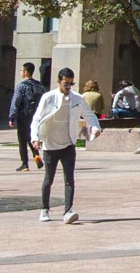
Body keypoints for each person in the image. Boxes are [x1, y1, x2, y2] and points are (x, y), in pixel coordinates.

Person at [29, 67, 100, 223]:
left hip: (68, 144)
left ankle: (68, 211)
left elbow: (89, 115)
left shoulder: (77, 98)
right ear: (58, 81)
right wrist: (35, 138)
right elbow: (36, 119)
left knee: (69, 179)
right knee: (49, 179)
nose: (68, 87)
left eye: (70, 83)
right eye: (65, 83)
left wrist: (95, 127)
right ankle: (44, 209)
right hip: (50, 144)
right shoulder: (48, 97)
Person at [7, 63, 45, 172]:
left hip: (23, 115)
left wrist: (12, 117)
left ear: (26, 72)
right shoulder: (40, 85)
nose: (20, 72)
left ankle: (25, 164)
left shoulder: (21, 86)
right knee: (32, 136)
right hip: (36, 116)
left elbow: (16, 102)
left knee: (22, 140)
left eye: (21, 70)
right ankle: (36, 155)